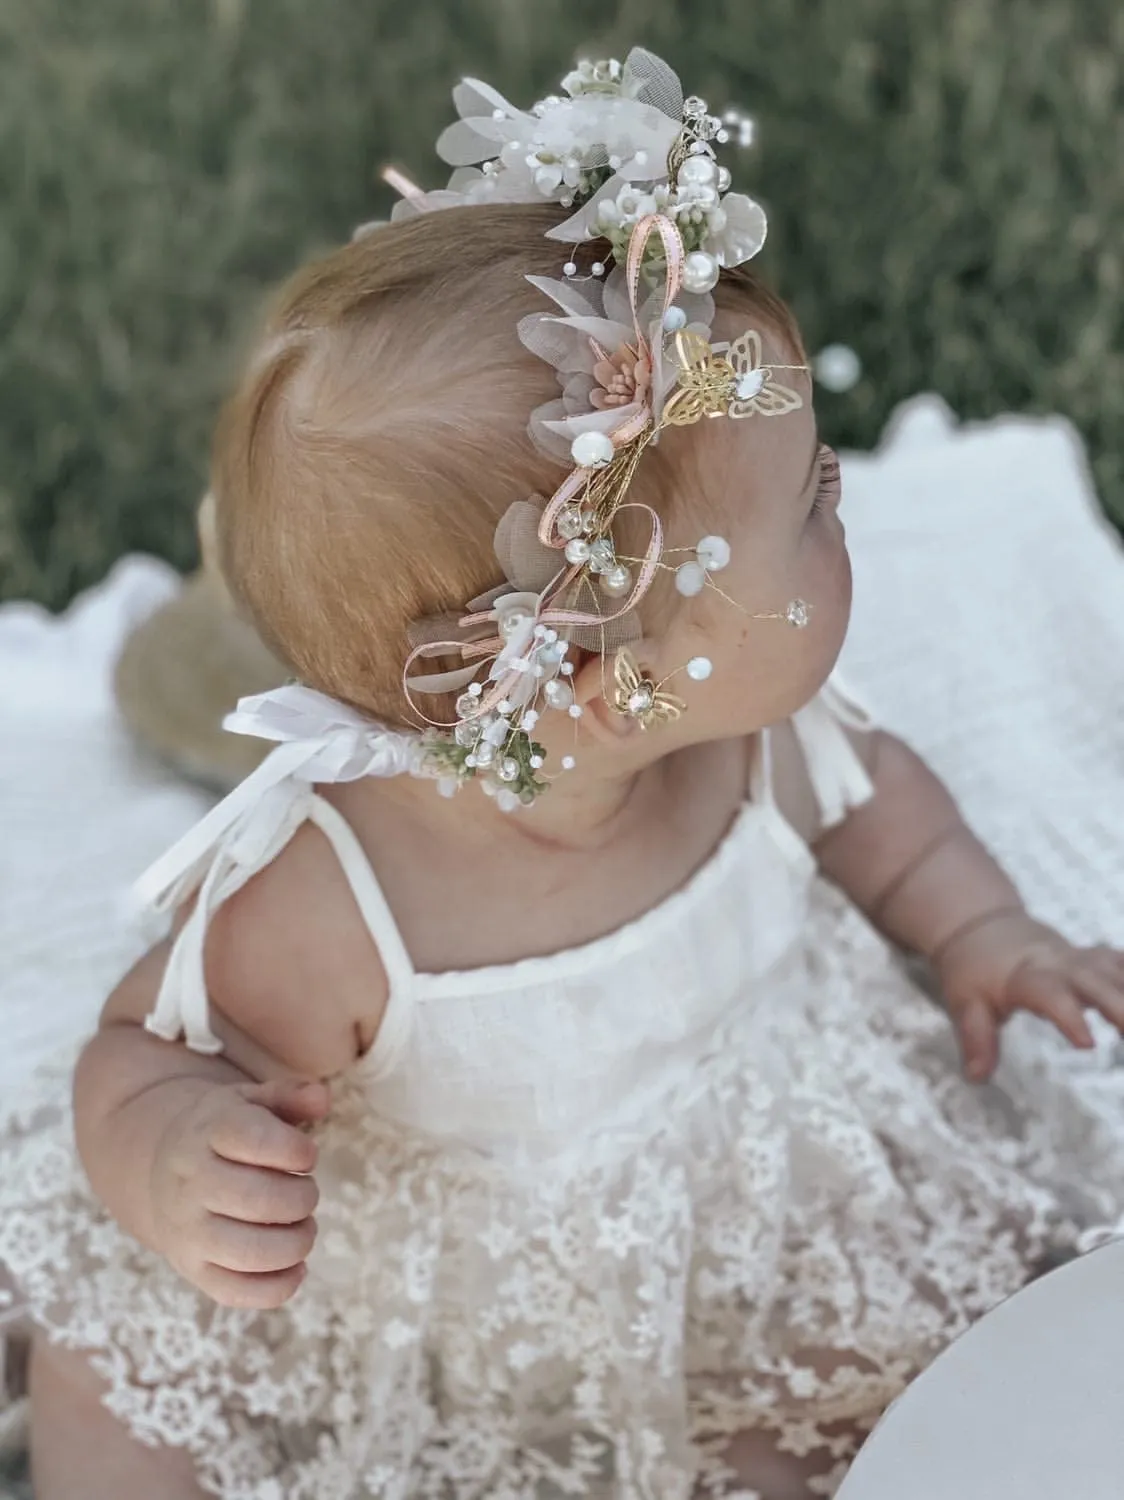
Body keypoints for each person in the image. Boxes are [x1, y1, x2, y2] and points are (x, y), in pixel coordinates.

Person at [3, 47, 1124, 1500]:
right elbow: (144, 1047)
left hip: (720, 1236)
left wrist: (978, 930)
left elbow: (884, 816)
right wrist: (175, 1155)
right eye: (816, 503)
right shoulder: (340, 903)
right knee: (128, 1392)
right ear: (603, 677)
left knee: (864, 1420)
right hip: (441, 1286)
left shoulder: (754, 733)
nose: (844, 495)